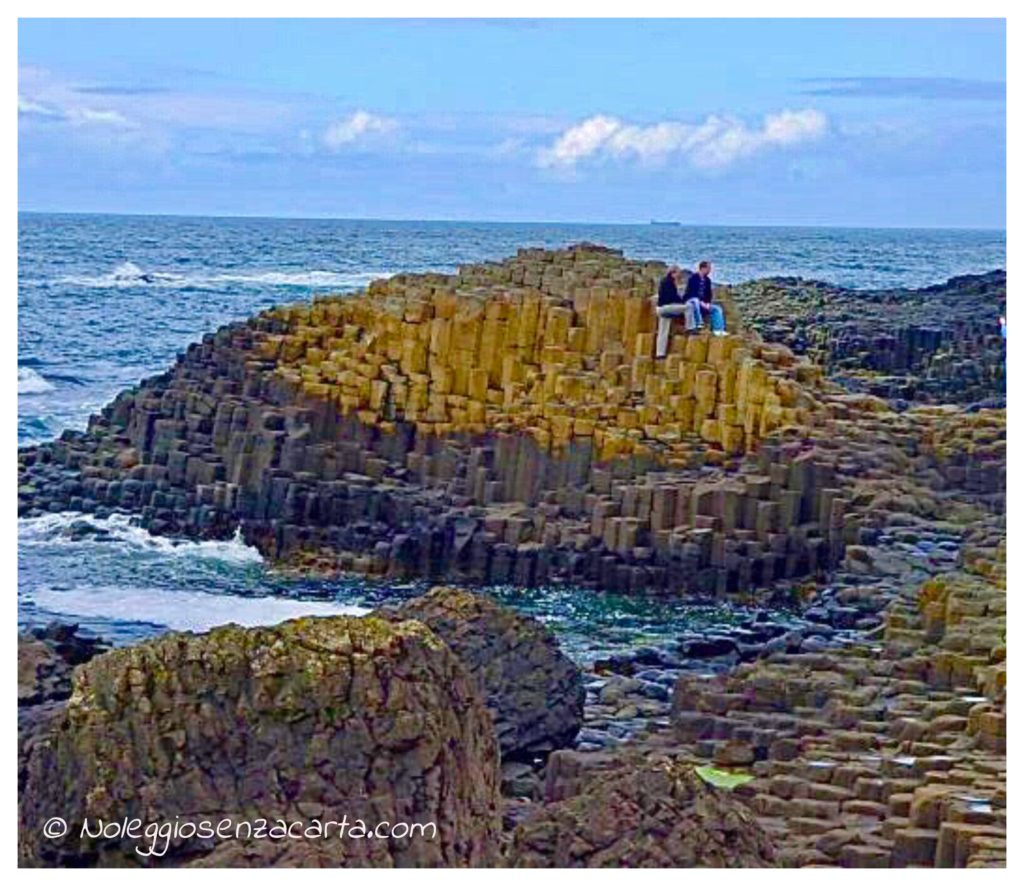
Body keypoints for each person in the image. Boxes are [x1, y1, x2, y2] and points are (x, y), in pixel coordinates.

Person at [683, 260, 727, 336]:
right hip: (691, 301)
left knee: (717, 309)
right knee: (696, 301)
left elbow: (708, 295)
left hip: (702, 303)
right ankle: (699, 323)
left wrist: (707, 303)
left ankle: (719, 330)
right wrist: (701, 302)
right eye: (709, 268)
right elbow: (691, 293)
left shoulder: (707, 280)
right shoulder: (693, 278)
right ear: (703, 268)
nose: (710, 270)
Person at [655, 266, 689, 358]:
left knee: (663, 331)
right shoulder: (668, 283)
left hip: (660, 309)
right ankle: (691, 327)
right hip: (666, 308)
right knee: (688, 307)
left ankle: (660, 354)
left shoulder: (665, 281)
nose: (679, 275)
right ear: (673, 273)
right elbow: (672, 298)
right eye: (678, 273)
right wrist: (682, 302)